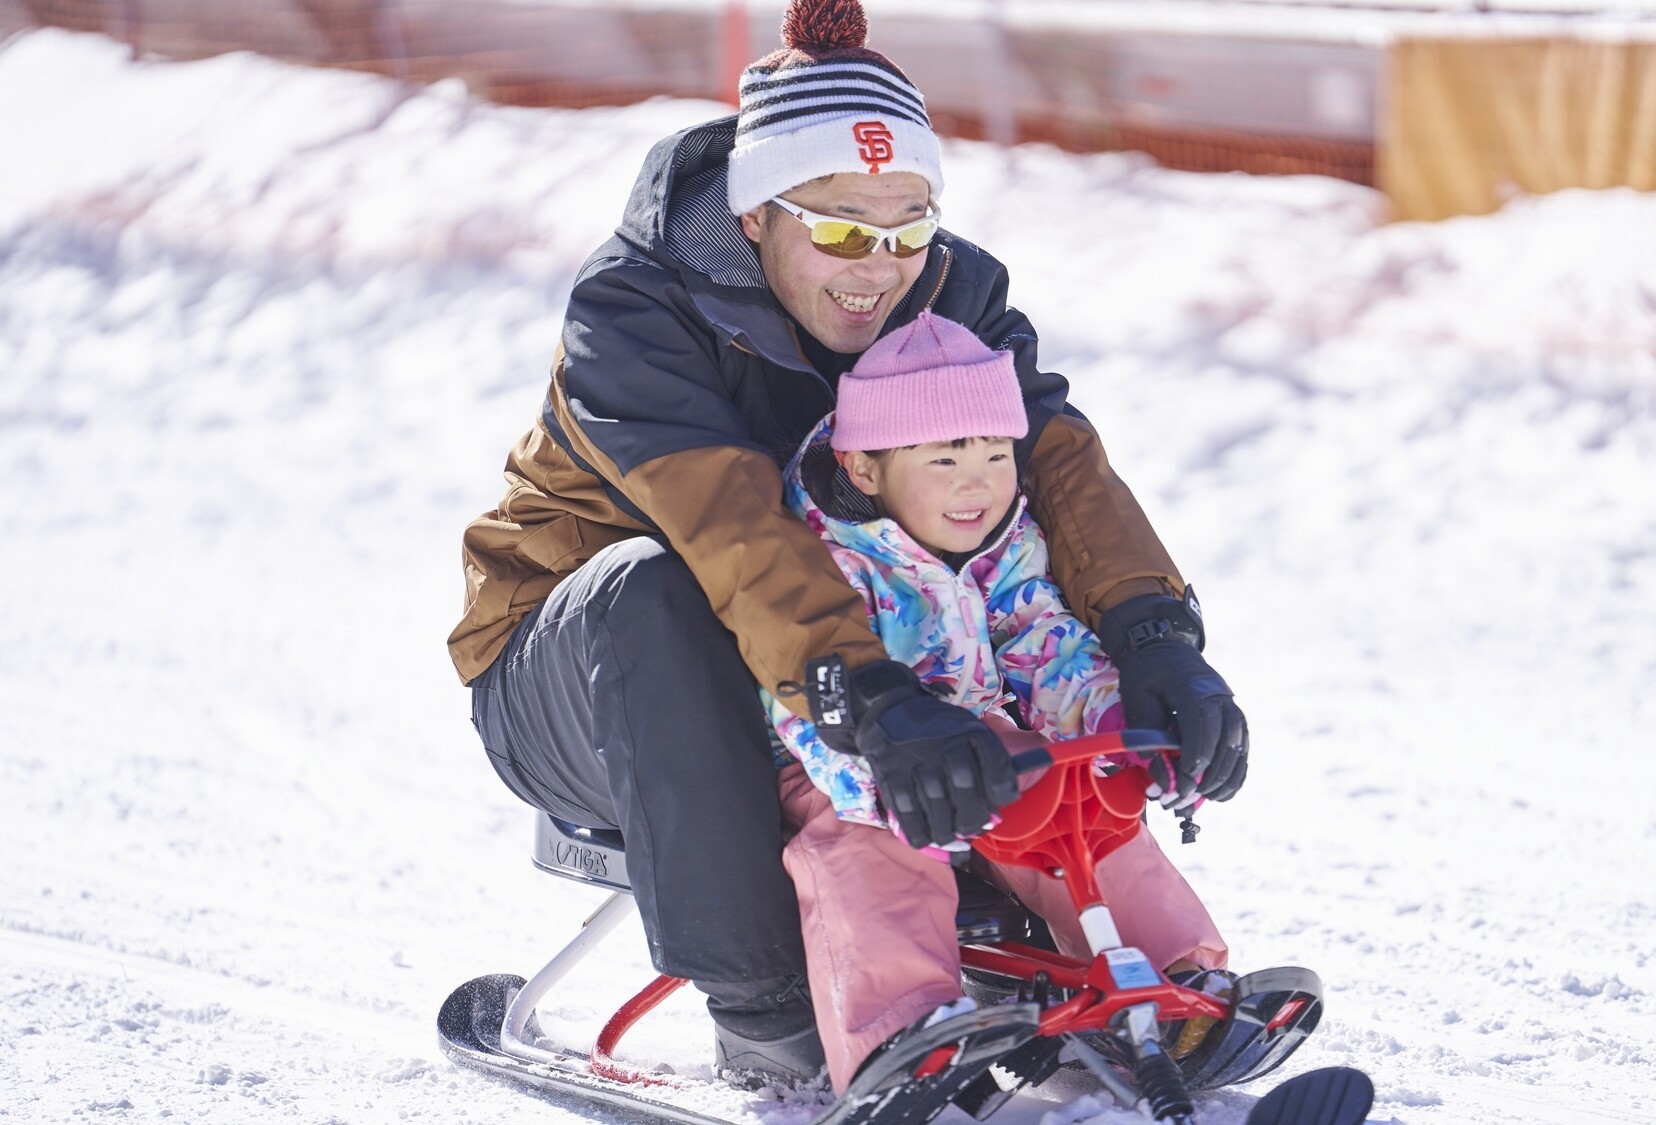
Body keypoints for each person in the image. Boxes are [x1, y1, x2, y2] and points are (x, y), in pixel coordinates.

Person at [449, 0, 1247, 1086]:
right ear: (752, 216)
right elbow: (729, 525)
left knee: (968, 513)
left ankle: (1057, 964)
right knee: (657, 589)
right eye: (835, 228)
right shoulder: (633, 314)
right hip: (580, 684)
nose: (877, 265)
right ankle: (768, 1009)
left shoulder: (946, 291)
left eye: (907, 225)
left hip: (824, 664)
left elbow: (1049, 457)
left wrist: (1155, 636)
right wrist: (869, 697)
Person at [765, 310, 1230, 1094]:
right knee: (876, 844)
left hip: (980, 747)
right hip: (840, 763)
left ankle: (1175, 985)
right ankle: (901, 1031)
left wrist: (1113, 725)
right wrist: (883, 775)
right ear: (867, 467)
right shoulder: (828, 555)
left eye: (995, 453)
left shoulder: (1003, 540)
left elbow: (1041, 636)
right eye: (944, 459)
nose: (977, 481)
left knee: (1083, 797)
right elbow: (802, 688)